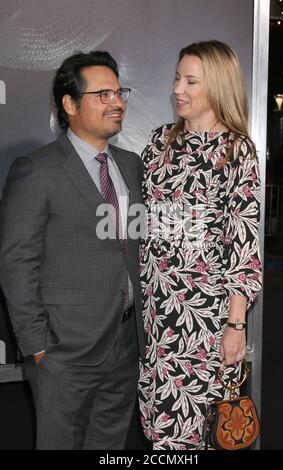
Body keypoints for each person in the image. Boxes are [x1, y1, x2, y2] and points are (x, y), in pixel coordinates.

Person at [0, 50, 146, 450]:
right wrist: (38, 347)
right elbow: (17, 262)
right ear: (70, 104)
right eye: (103, 94)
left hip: (126, 345)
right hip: (63, 353)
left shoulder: (132, 165)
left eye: (119, 92)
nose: (117, 102)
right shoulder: (37, 169)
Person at [138, 40, 262, 450]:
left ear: (218, 87)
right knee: (158, 429)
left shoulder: (237, 151)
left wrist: (236, 325)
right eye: (177, 77)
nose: (178, 88)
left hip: (204, 321)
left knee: (197, 434)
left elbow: (242, 244)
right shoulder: (158, 143)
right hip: (155, 316)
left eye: (191, 80)